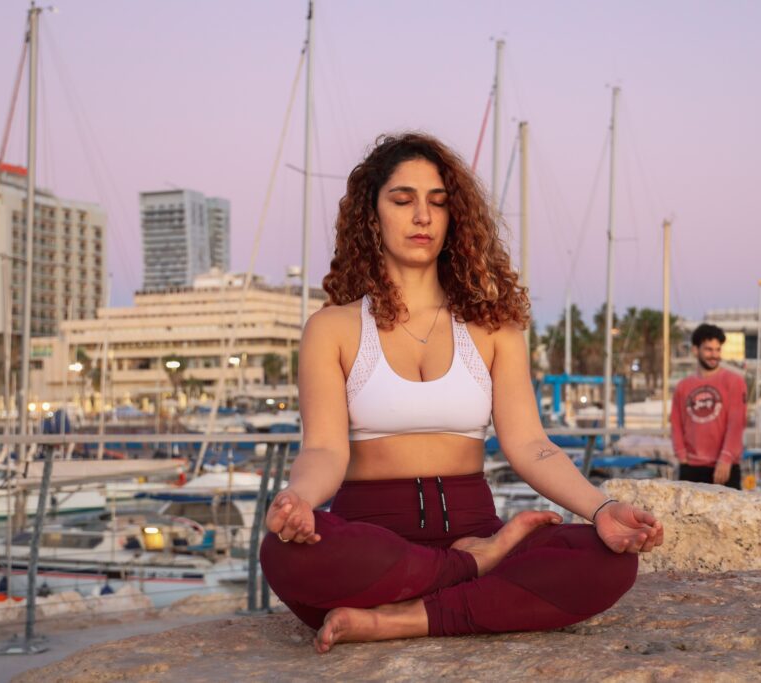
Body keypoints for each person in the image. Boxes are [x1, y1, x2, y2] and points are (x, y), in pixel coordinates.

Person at [260, 132, 663, 653]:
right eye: (403, 200)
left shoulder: (494, 327)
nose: (422, 217)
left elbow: (531, 445)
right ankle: (472, 570)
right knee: (284, 554)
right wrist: (300, 501)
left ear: (455, 219)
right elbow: (323, 449)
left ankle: (403, 618)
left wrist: (603, 508)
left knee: (608, 561)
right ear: (371, 214)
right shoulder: (332, 328)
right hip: (377, 541)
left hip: (475, 523)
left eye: (438, 203)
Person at [670, 323, 747, 489]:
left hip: (724, 467)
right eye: (708, 350)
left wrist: (726, 458)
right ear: (695, 350)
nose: (714, 355)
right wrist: (681, 455)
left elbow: (736, 423)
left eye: (718, 350)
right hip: (691, 466)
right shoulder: (683, 386)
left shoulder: (734, 381)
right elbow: (675, 423)